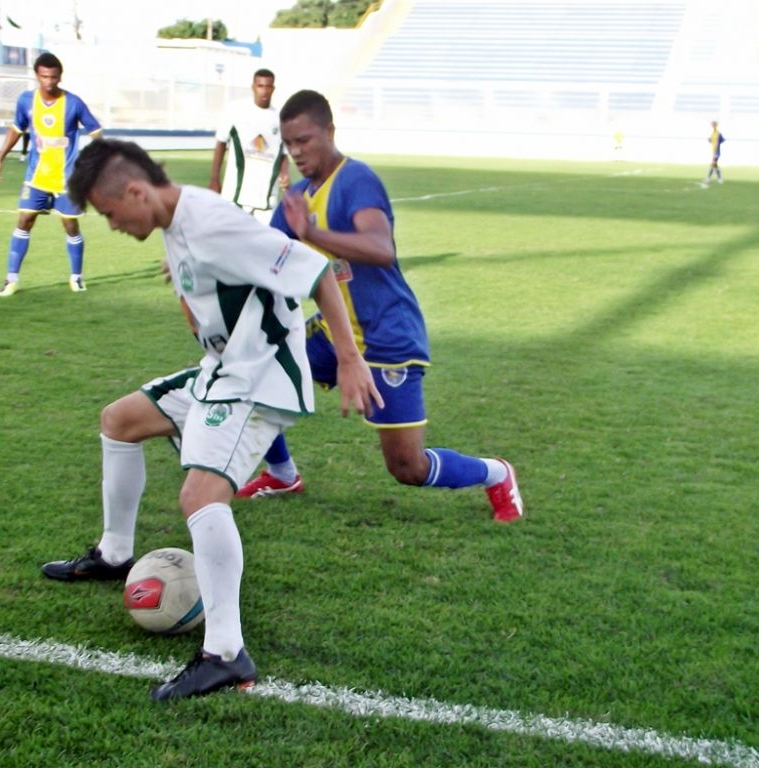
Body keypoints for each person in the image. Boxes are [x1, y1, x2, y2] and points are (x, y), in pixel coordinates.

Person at [41, 139, 381, 701]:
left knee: (200, 497)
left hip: (260, 377)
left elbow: (316, 269)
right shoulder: (177, 222)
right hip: (223, 369)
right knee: (120, 421)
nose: (113, 225)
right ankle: (114, 554)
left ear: (136, 192)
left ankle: (225, 654)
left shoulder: (211, 224)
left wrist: (348, 358)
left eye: (110, 213)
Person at [235, 90, 524, 524]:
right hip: (333, 332)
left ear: (330, 132)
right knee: (255, 371)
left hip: (388, 335)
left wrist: (311, 233)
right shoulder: (297, 195)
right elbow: (260, 248)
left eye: (305, 140)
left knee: (408, 467)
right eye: (288, 143)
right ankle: (282, 474)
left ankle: (496, 473)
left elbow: (380, 248)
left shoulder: (356, 180)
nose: (296, 152)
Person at [0, 52, 103, 297]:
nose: (49, 82)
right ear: (36, 76)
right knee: (24, 220)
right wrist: (0, 158)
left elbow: (95, 130)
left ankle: (76, 277)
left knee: (70, 225)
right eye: (44, 77)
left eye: (53, 77)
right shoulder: (25, 101)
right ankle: (11, 279)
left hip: (67, 178)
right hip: (37, 177)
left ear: (60, 77)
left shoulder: (73, 103)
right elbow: (16, 129)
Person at [208, 68, 289, 224]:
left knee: (267, 239)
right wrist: (214, 178)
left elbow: (283, 153)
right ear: (253, 87)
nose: (264, 90)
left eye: (268, 86)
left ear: (273, 88)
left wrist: (285, 174)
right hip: (235, 197)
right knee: (230, 238)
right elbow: (221, 143)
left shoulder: (281, 118)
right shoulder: (235, 110)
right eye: (260, 86)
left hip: (266, 201)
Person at [703, 120, 725, 186]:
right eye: (712, 125)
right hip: (713, 151)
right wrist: (709, 140)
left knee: (713, 164)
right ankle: (719, 178)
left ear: (716, 125)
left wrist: (718, 142)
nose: (713, 126)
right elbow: (710, 140)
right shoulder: (712, 133)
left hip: (717, 151)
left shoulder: (718, 133)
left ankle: (708, 178)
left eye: (714, 125)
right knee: (715, 165)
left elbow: (723, 140)